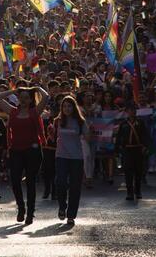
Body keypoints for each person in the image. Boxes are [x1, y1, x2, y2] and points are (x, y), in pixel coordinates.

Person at [0, 86, 49, 225]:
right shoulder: (12, 111)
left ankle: (30, 213)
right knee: (15, 181)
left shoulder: (35, 112)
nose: (23, 100)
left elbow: (46, 97)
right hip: (16, 151)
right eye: (21, 97)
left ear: (30, 100)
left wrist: (37, 88)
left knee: (30, 182)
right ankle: (21, 208)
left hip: (33, 151)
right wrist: (13, 91)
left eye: (26, 97)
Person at [53, 96, 90, 226]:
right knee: (61, 182)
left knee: (75, 187)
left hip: (76, 158)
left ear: (74, 107)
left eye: (69, 106)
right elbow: (52, 137)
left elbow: (88, 137)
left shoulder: (80, 121)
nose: (67, 109)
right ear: (61, 108)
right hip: (61, 156)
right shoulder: (57, 121)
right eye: (64, 106)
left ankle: (71, 215)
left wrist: (88, 131)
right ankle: (62, 207)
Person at [115, 103, 149, 201]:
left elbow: (145, 135)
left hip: (138, 149)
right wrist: (117, 149)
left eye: (134, 110)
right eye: (130, 110)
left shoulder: (140, 122)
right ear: (127, 112)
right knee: (128, 172)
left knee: (138, 171)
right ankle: (129, 192)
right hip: (127, 150)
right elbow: (119, 137)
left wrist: (145, 146)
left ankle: (138, 191)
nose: (132, 112)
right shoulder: (123, 124)